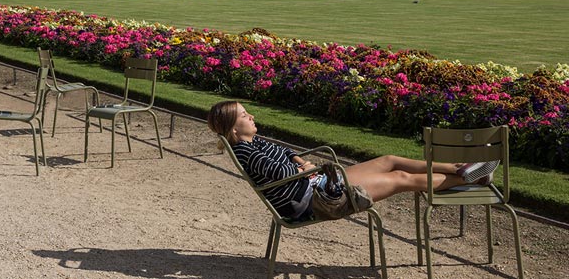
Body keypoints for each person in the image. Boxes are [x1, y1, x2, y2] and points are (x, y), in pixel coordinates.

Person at [207, 101, 497, 221]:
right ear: (233, 129)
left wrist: (300, 163)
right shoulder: (246, 152)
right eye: (244, 116)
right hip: (318, 200)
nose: (251, 116)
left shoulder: (254, 141)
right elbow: (282, 170)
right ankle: (466, 178)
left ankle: (459, 168)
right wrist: (304, 168)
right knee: (400, 179)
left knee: (389, 160)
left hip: (318, 184)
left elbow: (285, 154)